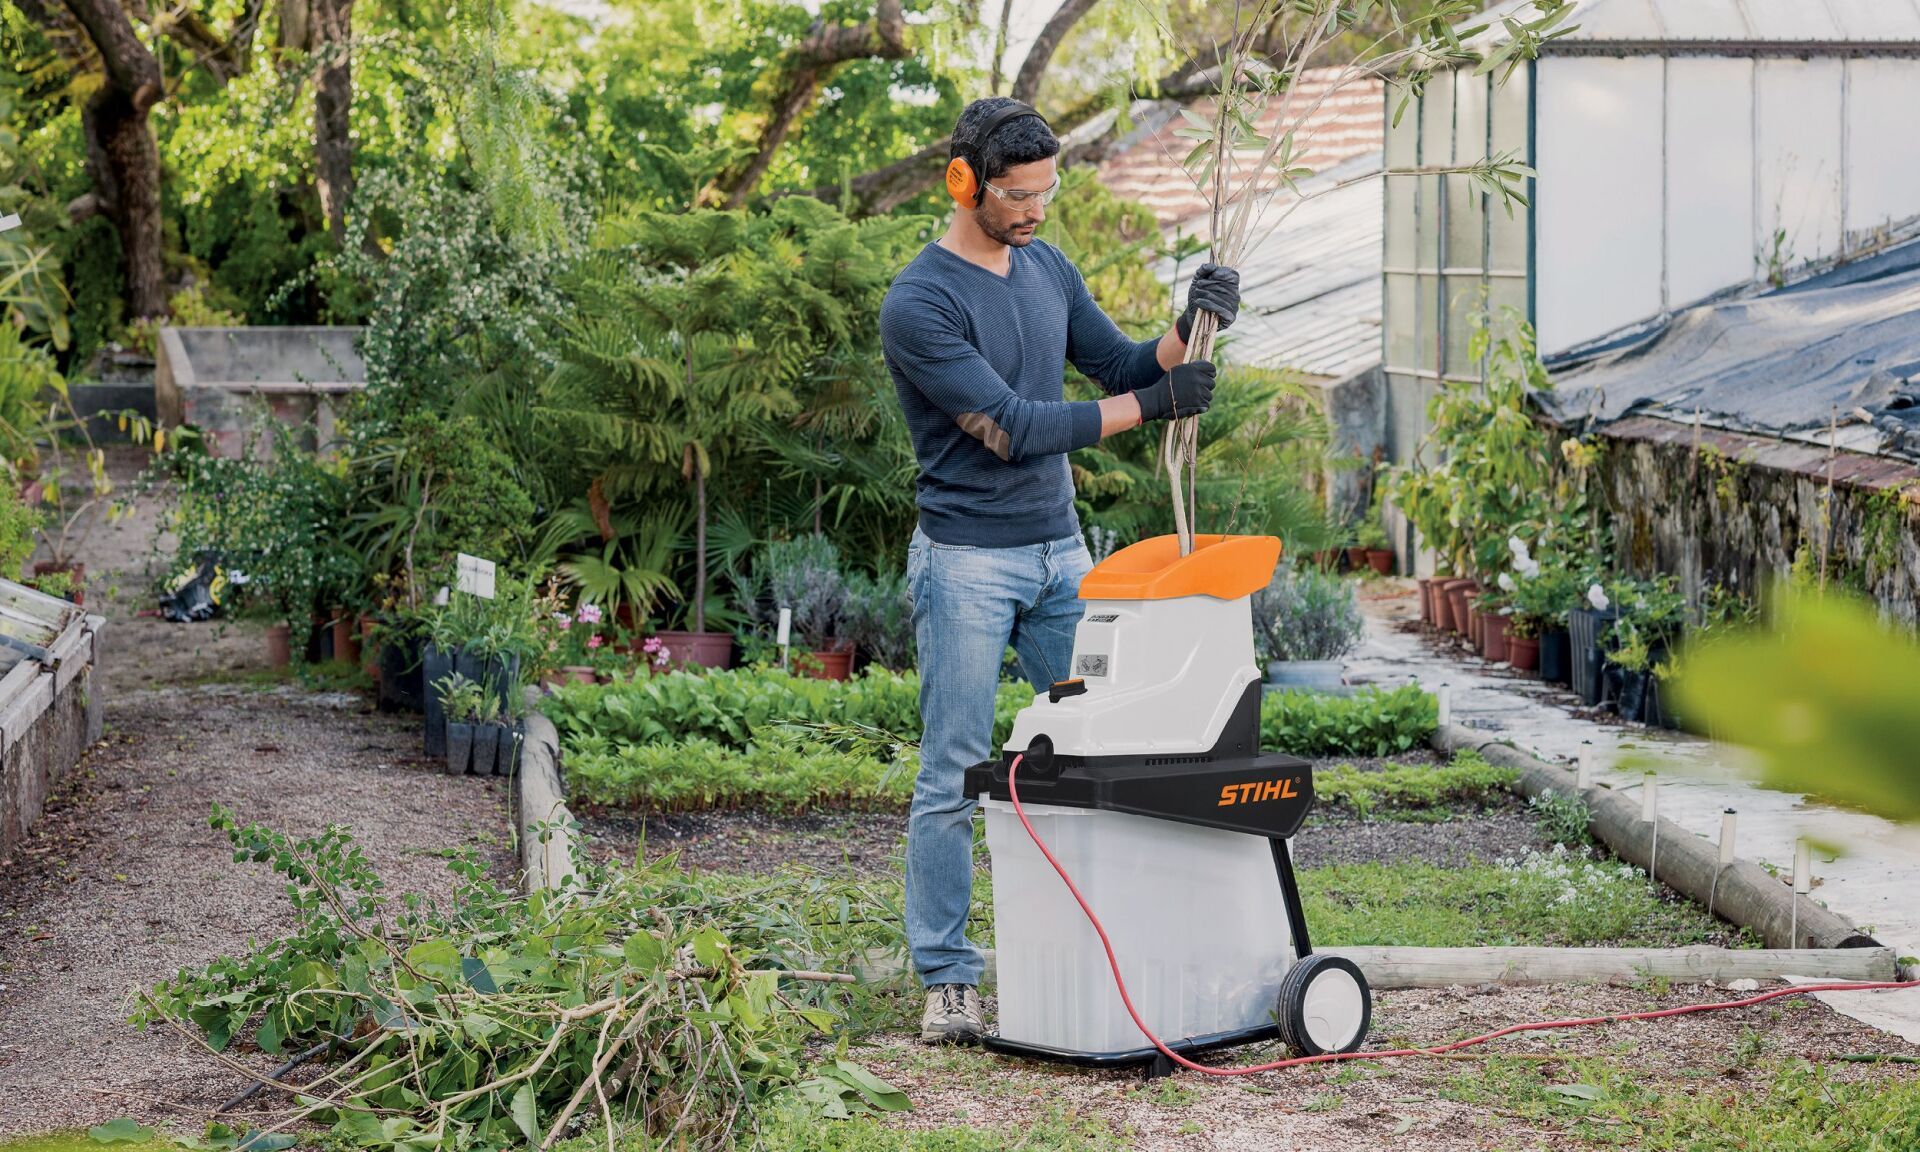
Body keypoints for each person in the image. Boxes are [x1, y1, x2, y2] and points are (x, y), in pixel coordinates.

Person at [878, 96, 1242, 1043]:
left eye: (1047, 191)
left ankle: (1121, 938)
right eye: (1018, 194)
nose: (1036, 210)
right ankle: (949, 978)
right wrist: (1158, 405)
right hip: (965, 563)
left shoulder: (1046, 268)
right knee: (957, 769)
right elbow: (1015, 428)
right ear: (965, 181)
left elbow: (1121, 364)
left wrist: (1190, 328)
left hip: (1059, 554)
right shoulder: (919, 304)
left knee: (1107, 746)